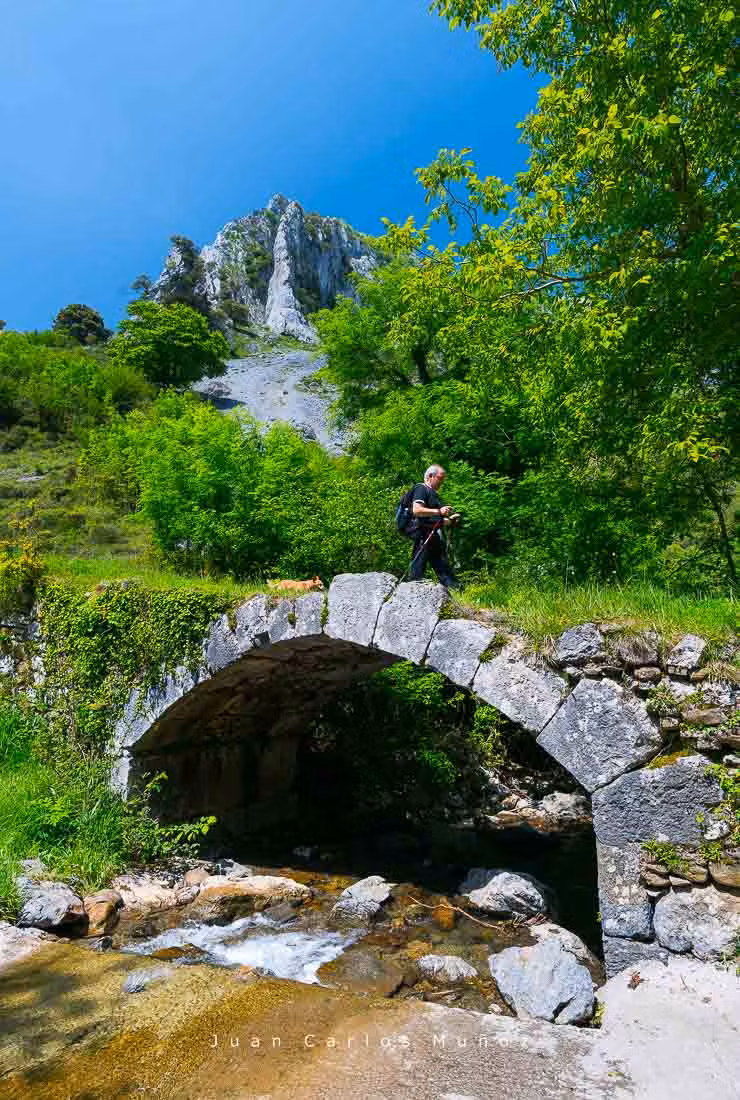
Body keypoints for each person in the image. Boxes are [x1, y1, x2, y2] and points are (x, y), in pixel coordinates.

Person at [409, 464, 462, 589]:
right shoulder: (421, 488)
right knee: (423, 558)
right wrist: (439, 512)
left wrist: (451, 520)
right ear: (430, 476)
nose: (442, 482)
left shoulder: (434, 495)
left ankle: (454, 587)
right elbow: (417, 510)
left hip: (430, 532)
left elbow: (435, 520)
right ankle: (413, 588)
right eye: (440, 478)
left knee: (439, 560)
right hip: (421, 531)